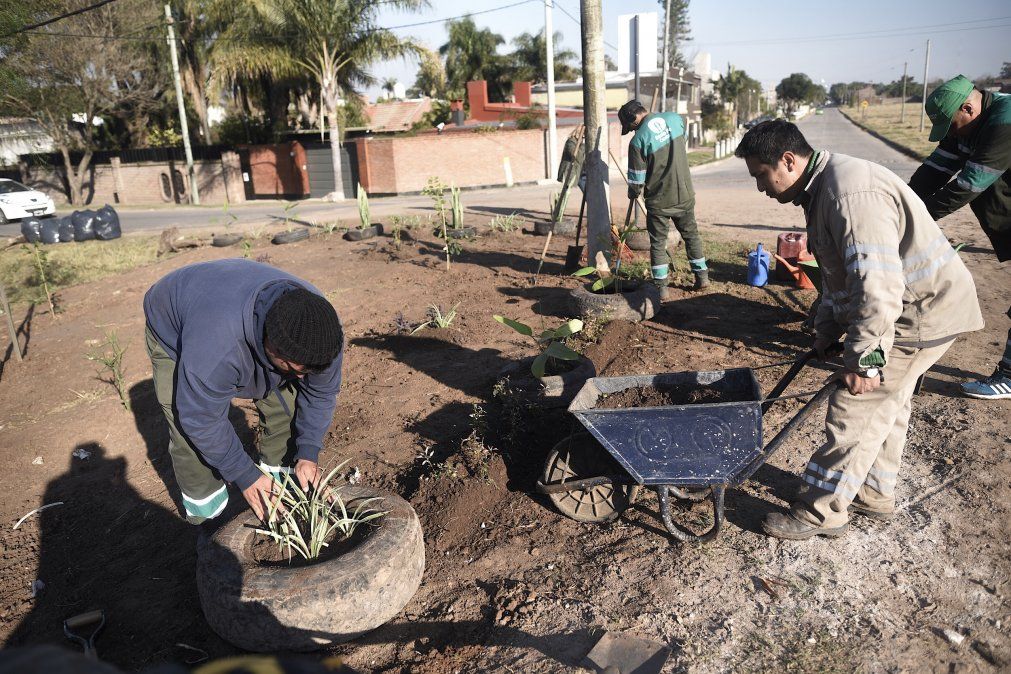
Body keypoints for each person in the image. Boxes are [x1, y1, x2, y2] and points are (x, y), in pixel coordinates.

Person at [735, 120, 983, 540]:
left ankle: (820, 513)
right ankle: (873, 491)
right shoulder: (823, 190)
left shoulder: (849, 195)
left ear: (788, 161)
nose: (761, 187)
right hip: (919, 306)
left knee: (857, 405)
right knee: (891, 403)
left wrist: (864, 359)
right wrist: (827, 330)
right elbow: (839, 277)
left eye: (761, 174)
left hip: (919, 312)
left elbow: (878, 286)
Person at [143, 259, 344, 524]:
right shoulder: (216, 349)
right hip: (174, 320)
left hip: (232, 298)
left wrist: (307, 453)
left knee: (287, 402)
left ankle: (280, 486)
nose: (302, 378)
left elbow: (320, 394)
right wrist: (245, 475)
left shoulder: (322, 333)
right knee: (188, 433)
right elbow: (200, 420)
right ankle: (210, 519)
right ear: (271, 347)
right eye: (295, 369)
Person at [908, 75, 1011, 400]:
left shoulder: (1004, 122)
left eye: (952, 127)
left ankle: (1009, 377)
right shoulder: (967, 126)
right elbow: (933, 171)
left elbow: (968, 185)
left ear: (968, 108)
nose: (951, 136)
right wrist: (899, 208)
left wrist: (916, 222)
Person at [618, 99, 709, 298]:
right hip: (684, 193)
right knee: (691, 235)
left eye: (630, 127)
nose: (632, 131)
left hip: (659, 201)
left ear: (633, 120)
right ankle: (702, 277)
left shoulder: (637, 141)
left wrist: (632, 193)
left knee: (658, 243)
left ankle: (661, 289)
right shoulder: (674, 119)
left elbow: (636, 180)